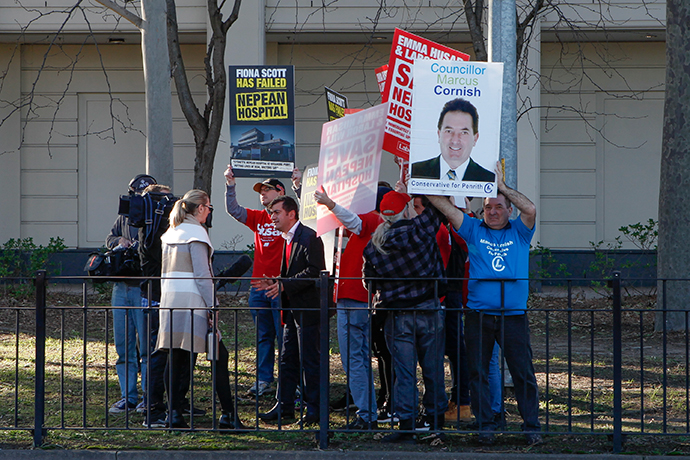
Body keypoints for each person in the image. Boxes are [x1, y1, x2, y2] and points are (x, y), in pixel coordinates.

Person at [427, 161, 542, 446]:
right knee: (477, 373)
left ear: (508, 210)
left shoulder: (520, 231)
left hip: (513, 315)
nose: (493, 211)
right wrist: (423, 181)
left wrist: (502, 187)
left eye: (499, 206)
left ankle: (531, 427)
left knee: (522, 373)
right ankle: (485, 426)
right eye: (488, 206)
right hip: (479, 315)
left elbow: (530, 209)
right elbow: (444, 207)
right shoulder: (474, 229)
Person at [363, 190, 448, 443]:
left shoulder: (374, 246)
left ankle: (407, 423)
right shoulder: (420, 230)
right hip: (428, 309)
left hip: (398, 315)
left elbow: (370, 282)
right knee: (433, 369)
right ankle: (435, 421)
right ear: (407, 210)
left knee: (404, 372)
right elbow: (437, 208)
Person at [156, 189, 244, 430]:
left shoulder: (171, 232)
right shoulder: (197, 233)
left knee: (175, 358)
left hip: (171, 302)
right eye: (209, 208)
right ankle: (228, 415)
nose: (209, 212)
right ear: (201, 208)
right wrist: (213, 306)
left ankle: (173, 414)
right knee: (219, 356)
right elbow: (203, 276)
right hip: (193, 302)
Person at [314, 187, 382, 430]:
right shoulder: (371, 220)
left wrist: (331, 204)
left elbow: (355, 222)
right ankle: (368, 412)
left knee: (354, 359)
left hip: (355, 300)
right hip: (354, 299)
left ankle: (367, 415)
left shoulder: (371, 219)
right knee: (359, 359)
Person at [256, 195, 326, 426]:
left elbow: (315, 271)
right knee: (287, 359)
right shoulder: (288, 238)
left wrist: (284, 284)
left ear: (291, 214)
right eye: (272, 212)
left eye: (276, 212)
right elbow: (293, 273)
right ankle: (284, 406)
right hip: (292, 309)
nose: (272, 217)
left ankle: (315, 410)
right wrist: (277, 281)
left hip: (307, 309)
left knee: (310, 361)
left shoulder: (309, 237)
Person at [224, 165, 287, 397]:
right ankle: (263, 380)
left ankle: (289, 382)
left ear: (280, 192)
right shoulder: (258, 217)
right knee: (263, 337)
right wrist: (230, 185)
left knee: (285, 337)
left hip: (280, 287)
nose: (263, 193)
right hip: (258, 288)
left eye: (268, 189)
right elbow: (234, 210)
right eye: (261, 190)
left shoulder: (290, 217)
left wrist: (299, 187)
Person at [410, 195, 472, 425]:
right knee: (450, 350)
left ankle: (461, 401)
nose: (414, 212)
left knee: (454, 350)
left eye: (416, 207)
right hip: (445, 294)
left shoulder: (442, 230)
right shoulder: (441, 228)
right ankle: (456, 400)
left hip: (447, 294)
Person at [105, 173, 156, 415]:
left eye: (143, 194)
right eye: (135, 193)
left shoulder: (157, 217)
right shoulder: (124, 216)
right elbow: (109, 237)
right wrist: (121, 241)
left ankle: (149, 396)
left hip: (143, 287)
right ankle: (128, 396)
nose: (138, 198)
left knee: (146, 347)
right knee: (123, 347)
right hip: (121, 287)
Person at [411, 98, 495, 182]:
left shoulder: (489, 179)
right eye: (449, 131)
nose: (455, 140)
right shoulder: (416, 172)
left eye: (464, 132)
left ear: (475, 138)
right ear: (439, 134)